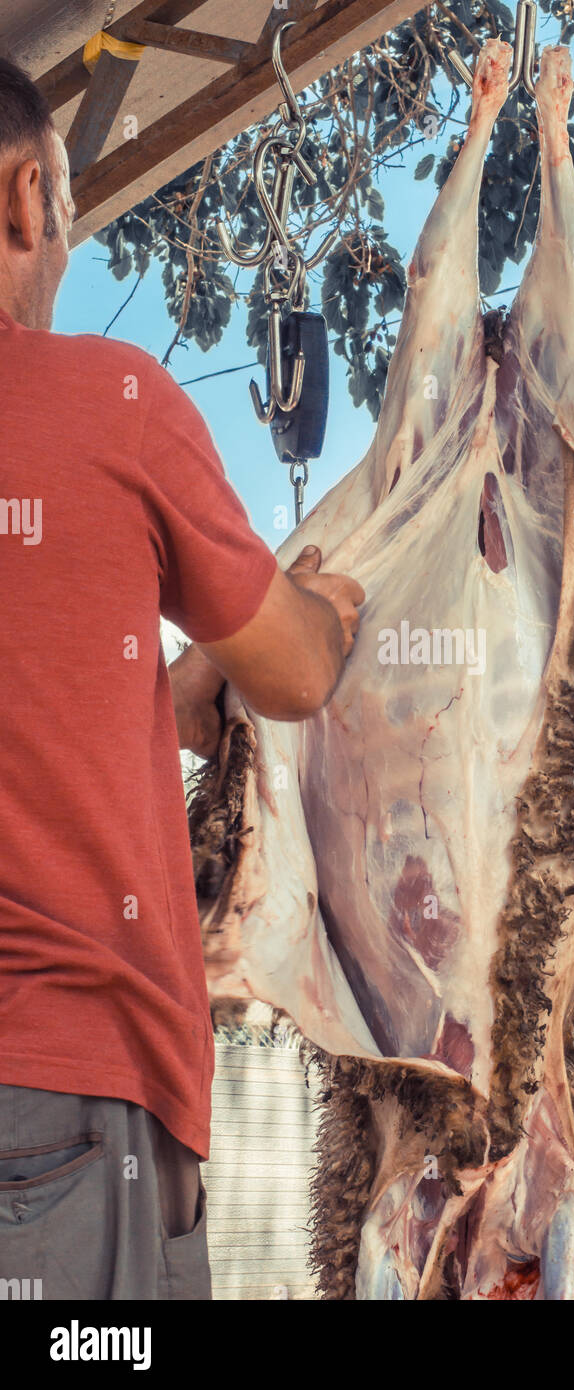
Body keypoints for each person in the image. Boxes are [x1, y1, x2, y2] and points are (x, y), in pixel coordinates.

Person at [0, 55, 363, 1300]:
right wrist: (327, 610)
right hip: (57, 1114)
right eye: (65, 199)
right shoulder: (113, 406)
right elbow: (304, 673)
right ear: (22, 199)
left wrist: (163, 690)